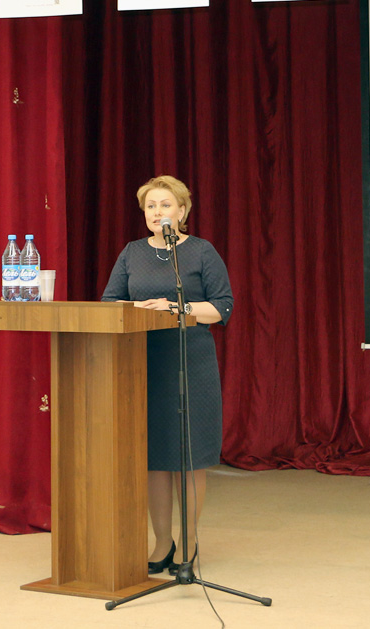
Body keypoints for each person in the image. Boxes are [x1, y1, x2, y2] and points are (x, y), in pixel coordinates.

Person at [101, 175, 233, 573]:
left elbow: (222, 307)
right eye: (151, 206)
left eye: (165, 205)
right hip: (144, 363)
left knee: (189, 458)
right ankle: (162, 542)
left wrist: (177, 308)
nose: (157, 212)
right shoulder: (132, 252)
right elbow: (110, 303)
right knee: (155, 459)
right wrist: (138, 308)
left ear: (182, 211)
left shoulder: (201, 251)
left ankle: (189, 542)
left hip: (191, 362)